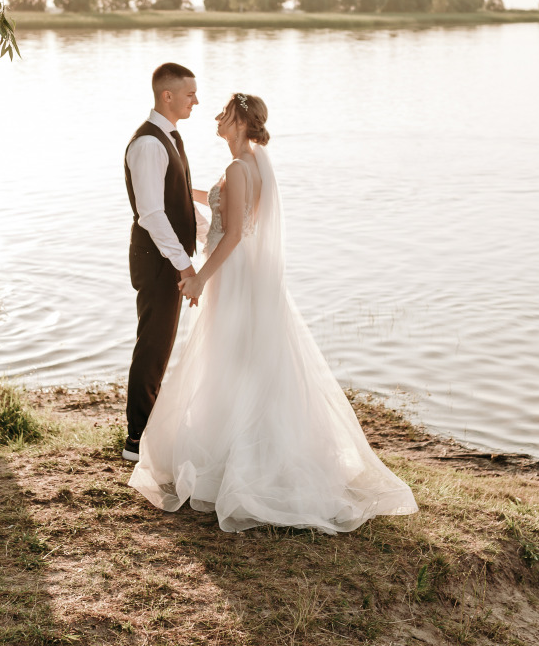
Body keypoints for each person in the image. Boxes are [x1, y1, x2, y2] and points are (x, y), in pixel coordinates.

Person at [129, 93, 418, 532]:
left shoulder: (238, 166)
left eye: (224, 114)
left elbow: (233, 235)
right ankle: (242, 447)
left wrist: (201, 277)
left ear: (240, 122)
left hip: (234, 274)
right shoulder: (253, 163)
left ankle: (241, 457)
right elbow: (233, 210)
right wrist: (185, 193)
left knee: (230, 358)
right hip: (246, 274)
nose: (216, 118)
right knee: (243, 359)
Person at [122, 62, 207, 463]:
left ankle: (147, 430)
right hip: (157, 260)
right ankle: (136, 440)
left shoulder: (169, 139)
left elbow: (179, 200)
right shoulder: (148, 145)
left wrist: (208, 234)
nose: (196, 100)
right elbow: (152, 214)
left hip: (167, 257)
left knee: (161, 344)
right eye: (190, 93)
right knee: (153, 346)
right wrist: (183, 265)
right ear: (167, 95)